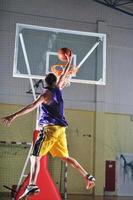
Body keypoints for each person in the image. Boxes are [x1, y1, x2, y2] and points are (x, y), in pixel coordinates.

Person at [0, 51, 95, 199]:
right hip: (61, 130)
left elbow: (30, 107)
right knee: (66, 157)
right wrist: (69, 61)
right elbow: (64, 73)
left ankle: (32, 185)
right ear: (55, 81)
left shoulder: (45, 95)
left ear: (45, 83)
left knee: (35, 156)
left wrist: (13, 116)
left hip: (50, 129)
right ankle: (88, 176)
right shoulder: (58, 88)